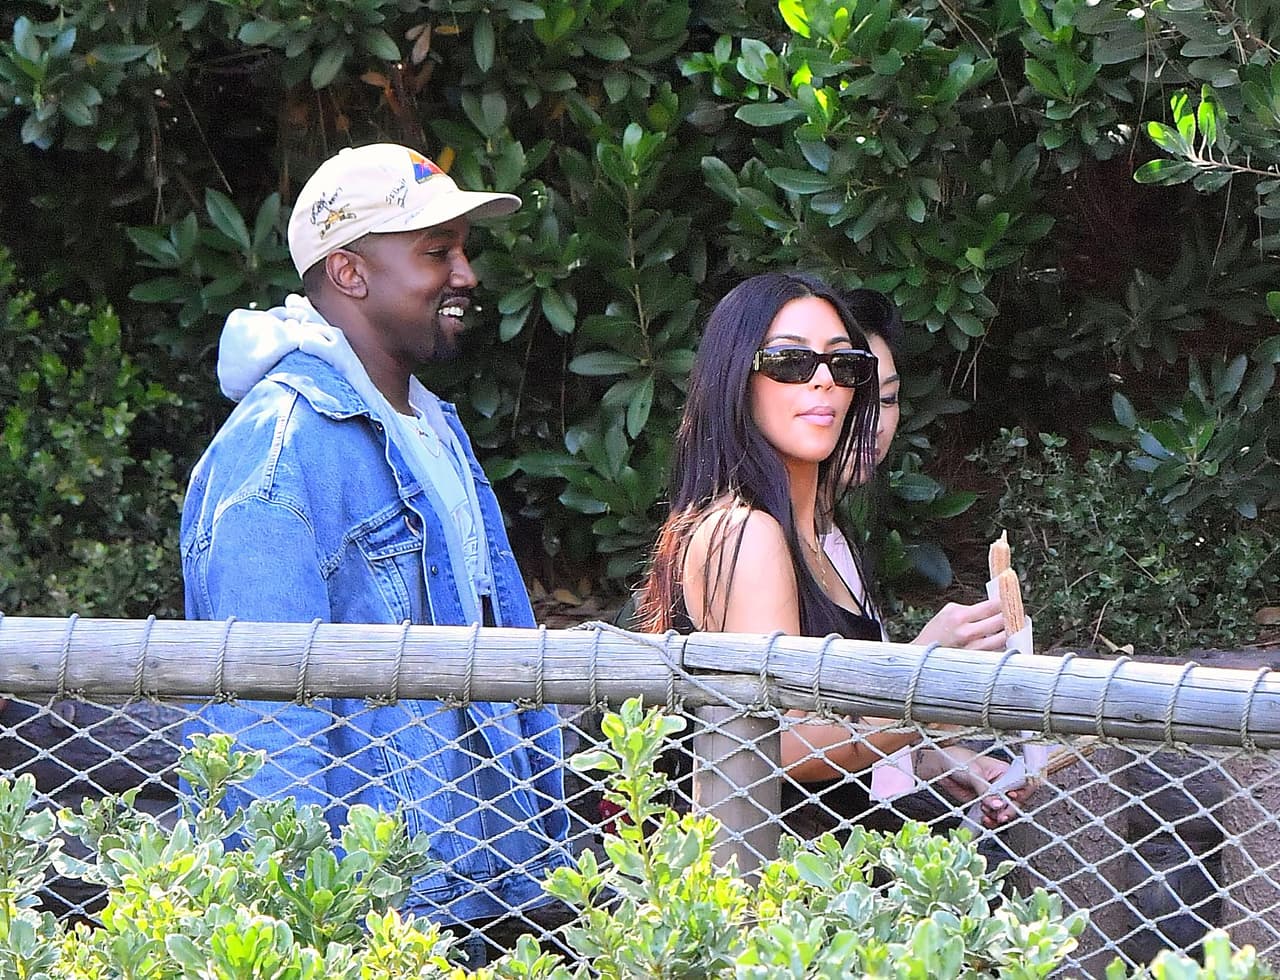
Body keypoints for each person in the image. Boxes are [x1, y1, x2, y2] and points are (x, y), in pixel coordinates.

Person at [180, 143, 570, 962]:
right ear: (349, 273)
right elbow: (261, 729)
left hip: (485, 892)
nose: (466, 274)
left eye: (464, 249)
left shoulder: (429, 424)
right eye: (437, 252)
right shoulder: (279, 450)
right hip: (379, 924)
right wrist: (287, 940)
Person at [635, 271, 1021, 837]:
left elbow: (839, 725)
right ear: (735, 378)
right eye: (790, 362)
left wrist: (934, 749)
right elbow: (776, 746)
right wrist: (924, 679)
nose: (823, 383)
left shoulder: (822, 533)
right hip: (772, 892)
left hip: (836, 877)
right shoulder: (745, 534)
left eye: (843, 366)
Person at [820, 288, 1009, 652]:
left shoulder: (832, 531)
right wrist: (925, 657)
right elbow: (786, 707)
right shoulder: (751, 537)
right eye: (852, 397)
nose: (874, 422)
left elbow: (856, 690)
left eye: (887, 399)